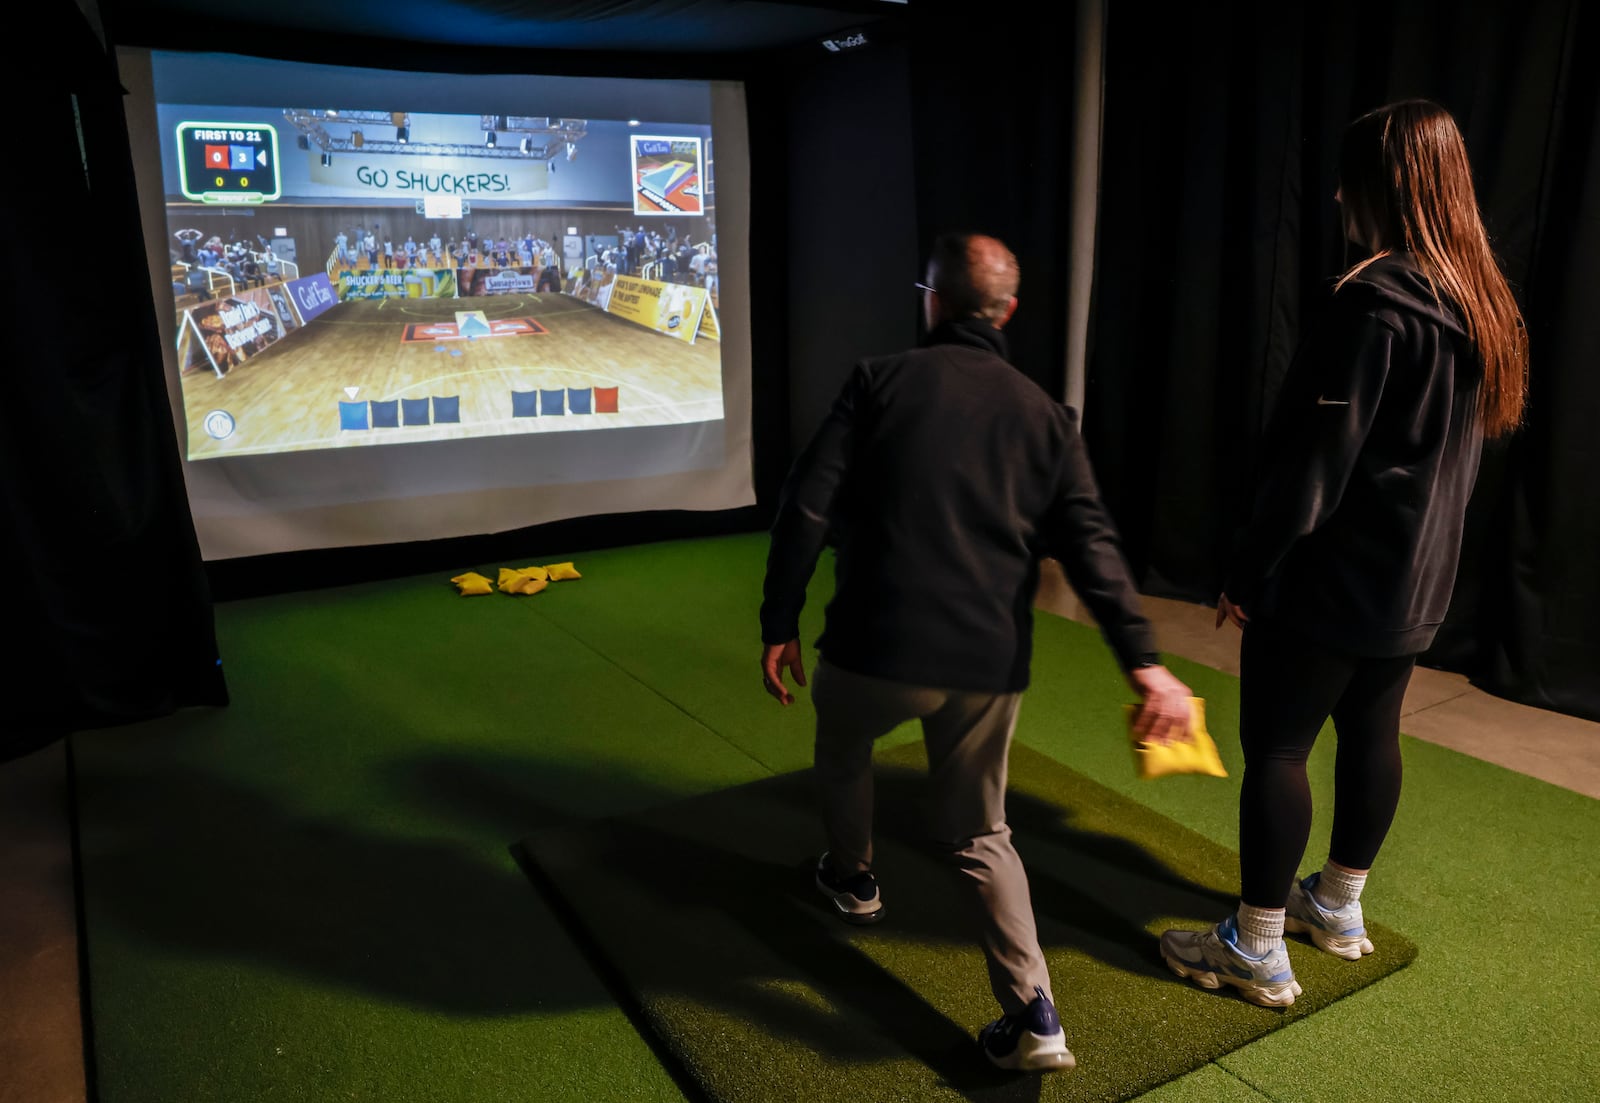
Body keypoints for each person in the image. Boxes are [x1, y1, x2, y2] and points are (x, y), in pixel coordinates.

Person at [759, 233, 1194, 1073]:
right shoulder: (1045, 415)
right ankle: (1036, 1014)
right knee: (981, 832)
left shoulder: (876, 381)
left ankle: (853, 878)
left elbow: (806, 506)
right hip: (985, 665)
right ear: (1009, 311)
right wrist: (1146, 662)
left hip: (874, 645)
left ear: (931, 300)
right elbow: (1093, 547)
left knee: (844, 748)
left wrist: (779, 619)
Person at [1159, 100, 1528, 1007]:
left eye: (1348, 178)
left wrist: (1250, 570)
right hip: (1415, 580)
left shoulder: (1373, 302)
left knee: (1279, 744)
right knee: (1372, 729)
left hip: (1334, 575)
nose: (1332, 195)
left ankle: (1254, 945)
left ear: (1384, 185)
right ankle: (1338, 907)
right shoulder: (1477, 301)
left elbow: (1314, 469)